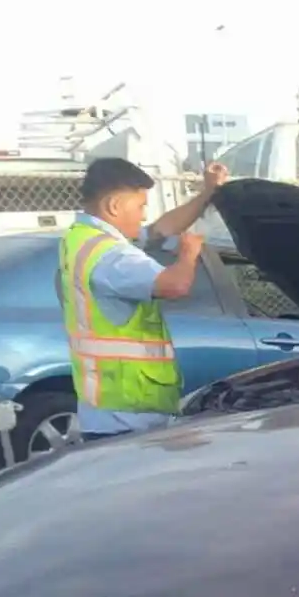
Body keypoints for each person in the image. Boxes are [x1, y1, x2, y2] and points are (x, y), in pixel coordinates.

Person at [57, 157, 228, 442]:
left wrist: (208, 193)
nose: (143, 215)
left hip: (106, 411)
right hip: (128, 417)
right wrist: (188, 254)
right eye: (140, 206)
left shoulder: (81, 238)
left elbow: (161, 229)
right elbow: (174, 286)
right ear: (114, 206)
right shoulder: (113, 256)